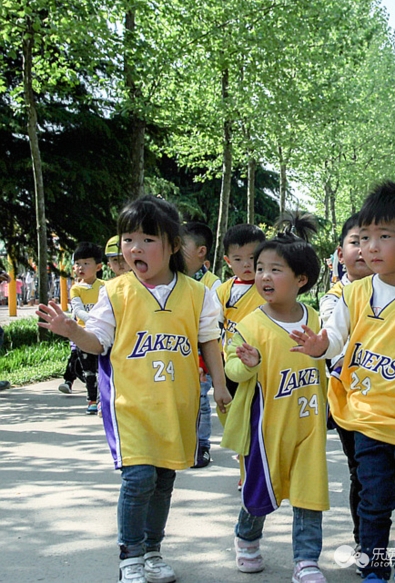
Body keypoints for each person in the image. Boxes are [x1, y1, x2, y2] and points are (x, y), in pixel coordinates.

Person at [36, 195, 231, 583]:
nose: (134, 248)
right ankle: (131, 557)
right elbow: (99, 341)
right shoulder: (116, 292)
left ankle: (154, 551)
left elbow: (209, 341)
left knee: (163, 481)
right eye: (128, 239)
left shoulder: (197, 294)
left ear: (173, 245)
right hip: (131, 406)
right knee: (139, 478)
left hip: (178, 405)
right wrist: (74, 331)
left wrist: (221, 387)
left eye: (146, 239)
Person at [289, 181, 395, 583]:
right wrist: (321, 345)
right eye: (365, 238)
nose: (371, 247)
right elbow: (334, 337)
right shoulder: (354, 293)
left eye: (384, 237)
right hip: (364, 419)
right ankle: (373, 566)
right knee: (373, 500)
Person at [221, 213, 329, 583]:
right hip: (265, 429)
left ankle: (307, 560)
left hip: (309, 423)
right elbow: (232, 370)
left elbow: (331, 359)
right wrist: (246, 364)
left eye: (275, 270)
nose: (264, 276)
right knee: (259, 491)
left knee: (309, 492)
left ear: (301, 279)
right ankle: (246, 539)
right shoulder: (251, 323)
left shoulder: (315, 319)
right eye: (260, 268)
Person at [318, 212, 373, 555]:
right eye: (356, 242)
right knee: (363, 473)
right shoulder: (334, 298)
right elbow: (333, 341)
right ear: (340, 254)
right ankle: (364, 542)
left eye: (374, 240)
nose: (365, 249)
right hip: (351, 400)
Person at [182, 222, 221, 468]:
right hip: (178, 354)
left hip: (201, 353)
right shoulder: (173, 280)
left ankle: (202, 445)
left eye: (181, 246)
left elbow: (213, 325)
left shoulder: (212, 284)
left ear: (201, 251)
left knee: (201, 401)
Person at [217, 224, 267, 397]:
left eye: (252, 258)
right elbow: (214, 328)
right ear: (228, 261)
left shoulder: (270, 288)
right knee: (234, 413)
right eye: (238, 259)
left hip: (264, 361)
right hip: (232, 360)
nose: (246, 264)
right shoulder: (223, 291)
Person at [58, 242, 106, 414]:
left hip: (102, 334)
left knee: (103, 368)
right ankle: (91, 400)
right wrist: (91, 320)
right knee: (88, 370)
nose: (81, 267)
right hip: (82, 333)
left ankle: (103, 399)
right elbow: (77, 310)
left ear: (98, 266)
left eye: (86, 263)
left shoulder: (105, 287)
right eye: (78, 263)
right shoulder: (76, 289)